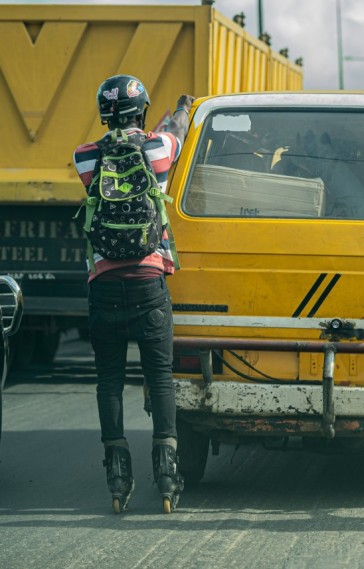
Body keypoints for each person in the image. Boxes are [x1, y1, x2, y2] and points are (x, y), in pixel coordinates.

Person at [73, 74, 193, 513]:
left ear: (104, 114)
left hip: (104, 286)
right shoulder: (159, 149)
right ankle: (166, 473)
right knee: (159, 376)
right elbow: (175, 130)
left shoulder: (84, 157)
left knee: (109, 380)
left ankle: (118, 478)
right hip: (148, 283)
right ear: (142, 111)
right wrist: (181, 106)